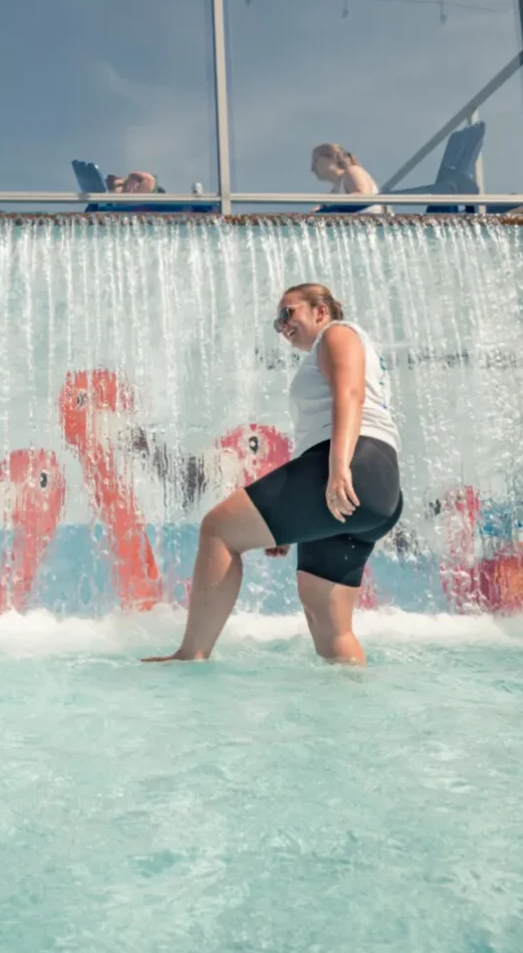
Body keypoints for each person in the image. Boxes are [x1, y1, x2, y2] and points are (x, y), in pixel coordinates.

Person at [146, 283, 402, 667]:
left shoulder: (338, 333)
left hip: (352, 466)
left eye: (289, 313)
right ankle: (353, 710)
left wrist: (337, 471)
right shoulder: (338, 348)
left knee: (218, 529)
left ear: (320, 311)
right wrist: (292, 523)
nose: (282, 325)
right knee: (327, 622)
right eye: (276, 321)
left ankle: (190, 656)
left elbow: (349, 396)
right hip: (377, 489)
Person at [312, 143, 386, 214]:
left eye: (315, 160)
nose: (312, 168)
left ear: (332, 158)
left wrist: (327, 210)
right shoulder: (333, 193)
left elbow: (363, 197)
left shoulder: (353, 171)